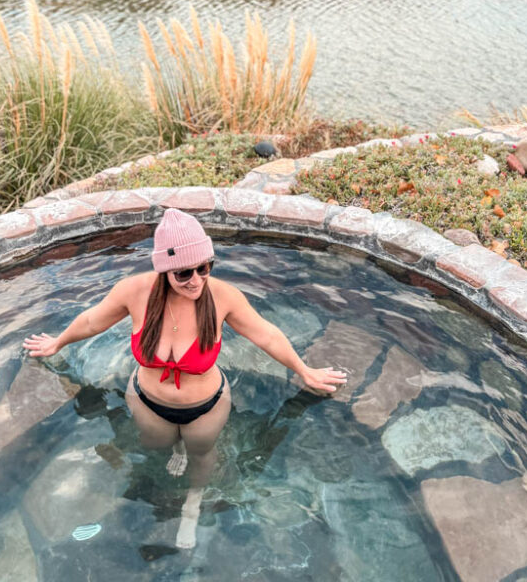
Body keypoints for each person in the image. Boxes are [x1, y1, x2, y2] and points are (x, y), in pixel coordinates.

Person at [23, 207, 347, 549]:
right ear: (163, 270)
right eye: (183, 273)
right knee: (156, 447)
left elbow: (266, 335)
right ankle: (171, 457)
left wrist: (304, 370)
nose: (196, 279)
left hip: (205, 406)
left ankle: (192, 504)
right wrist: (57, 342)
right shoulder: (134, 292)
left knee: (202, 454)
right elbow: (91, 322)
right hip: (148, 402)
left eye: (204, 267)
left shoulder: (221, 296)